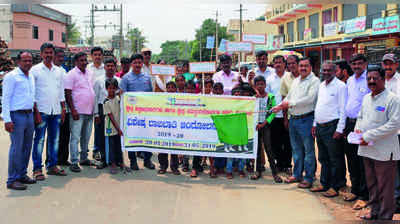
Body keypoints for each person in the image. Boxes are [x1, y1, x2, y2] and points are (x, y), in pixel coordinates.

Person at [355, 66, 400, 220]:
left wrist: (369, 136)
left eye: (375, 78)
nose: (371, 81)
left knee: (385, 187)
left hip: (384, 151)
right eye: (369, 79)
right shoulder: (367, 98)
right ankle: (374, 212)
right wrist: (358, 131)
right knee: (372, 184)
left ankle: (386, 216)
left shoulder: (393, 99)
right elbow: (360, 117)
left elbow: (394, 124)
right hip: (367, 149)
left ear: (383, 79)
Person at [272, 58, 320, 189]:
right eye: (301, 66)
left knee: (309, 151)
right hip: (294, 119)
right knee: (296, 150)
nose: (303, 68)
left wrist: (290, 104)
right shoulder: (296, 81)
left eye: (306, 66)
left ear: (311, 67)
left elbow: (310, 99)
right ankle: (297, 174)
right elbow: (289, 96)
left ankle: (309, 177)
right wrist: (280, 106)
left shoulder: (315, 81)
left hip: (306, 119)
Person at [310, 61, 346, 197]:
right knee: (323, 158)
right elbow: (318, 106)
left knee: (334, 159)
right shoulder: (321, 86)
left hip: (332, 127)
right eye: (324, 70)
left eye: (329, 70)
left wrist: (339, 129)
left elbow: (343, 110)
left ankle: (334, 187)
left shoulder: (341, 86)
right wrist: (314, 123)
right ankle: (324, 183)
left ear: (335, 71)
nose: (325, 72)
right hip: (320, 126)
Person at [31, 43, 67, 180]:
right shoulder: (35, 70)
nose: (48, 55)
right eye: (46, 52)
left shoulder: (59, 71)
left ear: (53, 54)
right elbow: (32, 93)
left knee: (55, 140)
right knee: (39, 140)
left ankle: (52, 166)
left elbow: (61, 91)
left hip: (56, 111)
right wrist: (35, 112)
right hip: (42, 111)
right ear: (41, 54)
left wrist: (63, 108)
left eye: (50, 53)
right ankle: (37, 168)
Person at [2, 52, 36, 190]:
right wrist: (7, 119)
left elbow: (32, 97)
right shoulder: (12, 77)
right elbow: (5, 99)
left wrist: (35, 113)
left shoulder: (31, 76)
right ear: (18, 61)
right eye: (25, 60)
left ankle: (22, 174)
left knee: (27, 146)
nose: (28, 63)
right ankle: (12, 179)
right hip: (17, 116)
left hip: (29, 115)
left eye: (30, 60)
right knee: (16, 148)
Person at [342, 53, 370, 210]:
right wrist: (345, 126)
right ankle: (355, 189)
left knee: (362, 162)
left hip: (364, 126)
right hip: (350, 125)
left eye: (359, 63)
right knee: (351, 159)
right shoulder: (350, 81)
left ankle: (365, 196)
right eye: (353, 64)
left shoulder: (370, 79)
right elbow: (347, 103)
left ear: (365, 64)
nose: (356, 66)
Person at [121, 53, 156, 171]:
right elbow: (123, 96)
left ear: (142, 63)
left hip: (146, 114)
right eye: (135, 62)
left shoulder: (147, 77)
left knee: (147, 137)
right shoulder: (126, 78)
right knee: (133, 138)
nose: (137, 65)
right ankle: (133, 161)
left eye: (139, 62)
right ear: (131, 64)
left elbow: (151, 95)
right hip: (132, 115)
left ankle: (147, 160)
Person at [64, 52, 96, 173]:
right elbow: (67, 93)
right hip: (77, 111)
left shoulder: (89, 73)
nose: (84, 62)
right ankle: (74, 161)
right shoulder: (71, 74)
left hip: (89, 111)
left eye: (85, 60)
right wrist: (73, 110)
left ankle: (83, 158)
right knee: (75, 137)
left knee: (86, 137)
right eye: (81, 60)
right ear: (76, 61)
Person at [250, 75, 282, 183]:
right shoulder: (254, 97)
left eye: (261, 84)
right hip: (255, 126)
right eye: (257, 84)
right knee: (257, 149)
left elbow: (273, 112)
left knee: (268, 149)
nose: (260, 86)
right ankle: (258, 171)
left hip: (265, 126)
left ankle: (275, 173)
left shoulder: (271, 97)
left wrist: (264, 123)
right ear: (255, 86)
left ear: (265, 84)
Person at [266, 55, 292, 175]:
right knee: (275, 142)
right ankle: (279, 163)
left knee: (287, 142)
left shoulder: (290, 77)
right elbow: (268, 97)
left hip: (288, 115)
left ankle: (288, 165)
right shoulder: (270, 79)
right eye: (275, 63)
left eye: (280, 62)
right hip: (274, 116)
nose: (277, 65)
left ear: (284, 64)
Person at [93, 58, 121, 169]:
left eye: (112, 66)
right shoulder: (98, 80)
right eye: (108, 66)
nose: (110, 68)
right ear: (104, 67)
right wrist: (96, 114)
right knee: (102, 135)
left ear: (115, 67)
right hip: (102, 109)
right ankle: (104, 159)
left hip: (115, 110)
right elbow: (95, 98)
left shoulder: (119, 80)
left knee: (115, 136)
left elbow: (122, 96)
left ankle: (116, 159)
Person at [381, 53, 400, 213]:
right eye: (385, 64)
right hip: (382, 133)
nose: (388, 67)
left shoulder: (399, 81)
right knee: (386, 167)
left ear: (396, 65)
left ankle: (397, 201)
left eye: (391, 64)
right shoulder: (380, 81)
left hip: (397, 131)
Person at [103, 78, 131, 174]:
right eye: (110, 88)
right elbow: (110, 117)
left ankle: (121, 162)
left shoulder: (119, 99)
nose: (111, 90)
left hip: (119, 127)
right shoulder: (106, 101)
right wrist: (118, 129)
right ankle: (113, 164)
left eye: (114, 88)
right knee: (111, 146)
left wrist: (122, 94)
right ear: (106, 89)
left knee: (119, 145)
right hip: (111, 127)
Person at [334, 58, 353, 187]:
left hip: (350, 124)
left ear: (344, 71)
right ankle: (341, 180)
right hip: (338, 124)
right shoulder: (337, 84)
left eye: (337, 70)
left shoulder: (351, 84)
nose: (334, 73)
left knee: (351, 156)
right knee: (338, 153)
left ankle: (356, 184)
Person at [158, 81, 181, 175]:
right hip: (164, 125)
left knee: (174, 148)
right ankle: (163, 166)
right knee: (163, 146)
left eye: (173, 87)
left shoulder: (180, 99)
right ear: (166, 89)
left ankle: (174, 167)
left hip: (175, 126)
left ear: (176, 89)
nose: (171, 89)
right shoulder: (162, 99)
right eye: (169, 88)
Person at [54, 48, 71, 166]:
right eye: (58, 56)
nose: (60, 59)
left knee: (65, 135)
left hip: (65, 108)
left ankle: (63, 159)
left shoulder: (64, 71)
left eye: (62, 57)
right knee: (54, 137)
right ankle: (53, 161)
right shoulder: (50, 71)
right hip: (54, 109)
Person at [226, 87, 247, 179]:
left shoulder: (246, 105)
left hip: (242, 131)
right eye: (236, 94)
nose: (238, 96)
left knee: (242, 151)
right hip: (231, 131)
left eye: (240, 94)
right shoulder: (228, 106)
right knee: (230, 152)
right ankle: (229, 171)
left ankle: (241, 169)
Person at [88, 46, 105, 161]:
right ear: (92, 56)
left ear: (102, 56)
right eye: (95, 55)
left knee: (100, 128)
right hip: (88, 102)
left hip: (102, 102)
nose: (97, 56)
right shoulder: (88, 68)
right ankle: (84, 152)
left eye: (99, 54)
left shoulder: (106, 68)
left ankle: (98, 150)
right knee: (87, 128)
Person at [280, 55, 300, 131]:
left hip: (306, 118)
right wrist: (285, 120)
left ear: (298, 63)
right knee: (293, 142)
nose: (291, 66)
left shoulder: (307, 76)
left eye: (293, 63)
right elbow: (284, 100)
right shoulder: (285, 78)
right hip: (291, 118)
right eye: (289, 64)